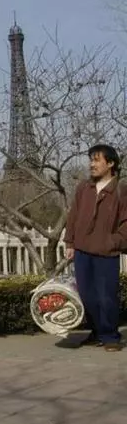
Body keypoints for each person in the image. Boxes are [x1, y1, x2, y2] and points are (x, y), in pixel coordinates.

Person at [64, 144, 127, 352]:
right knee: (87, 295)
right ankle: (96, 332)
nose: (92, 164)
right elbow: (73, 216)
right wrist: (70, 242)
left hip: (106, 253)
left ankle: (110, 336)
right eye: (91, 160)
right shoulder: (84, 188)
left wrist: (114, 242)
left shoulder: (120, 190)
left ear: (110, 163)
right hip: (82, 250)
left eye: (97, 160)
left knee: (106, 296)